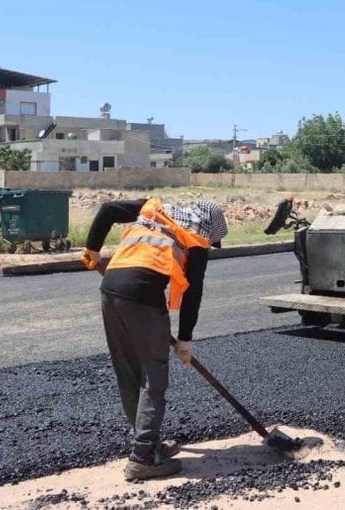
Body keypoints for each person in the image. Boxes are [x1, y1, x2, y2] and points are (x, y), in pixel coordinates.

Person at [81, 198, 229, 481]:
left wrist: (93, 249)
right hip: (143, 295)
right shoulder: (196, 239)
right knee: (153, 377)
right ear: (209, 226)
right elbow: (192, 294)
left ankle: (147, 442)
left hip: (110, 289)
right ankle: (143, 457)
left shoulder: (153, 207)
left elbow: (108, 210)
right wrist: (185, 339)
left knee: (128, 372)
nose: (209, 243)